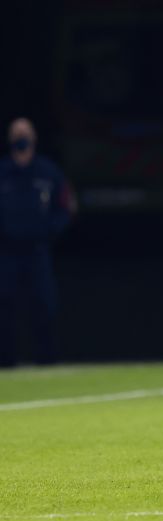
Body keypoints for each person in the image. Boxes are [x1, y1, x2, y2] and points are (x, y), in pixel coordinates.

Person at [0, 118, 72, 367]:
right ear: (9, 139)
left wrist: (48, 232)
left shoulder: (48, 172)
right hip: (6, 251)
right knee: (4, 305)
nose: (21, 138)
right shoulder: (3, 172)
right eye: (16, 133)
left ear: (34, 138)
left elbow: (66, 207)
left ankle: (47, 360)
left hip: (38, 250)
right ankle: (6, 362)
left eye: (25, 133)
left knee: (44, 303)